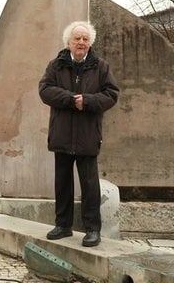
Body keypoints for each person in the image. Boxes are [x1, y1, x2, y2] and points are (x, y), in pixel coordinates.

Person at [39, 21, 119, 247]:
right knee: (62, 183)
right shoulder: (56, 65)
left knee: (90, 185)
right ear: (69, 42)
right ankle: (62, 225)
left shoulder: (101, 66)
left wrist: (89, 101)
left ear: (90, 42)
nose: (81, 42)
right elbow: (44, 90)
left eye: (85, 39)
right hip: (62, 134)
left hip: (87, 135)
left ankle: (93, 229)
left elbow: (112, 94)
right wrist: (71, 100)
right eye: (77, 38)